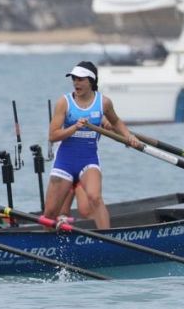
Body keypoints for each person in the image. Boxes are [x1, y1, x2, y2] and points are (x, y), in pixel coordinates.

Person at [43, 61, 138, 230]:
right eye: (74, 78)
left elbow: (116, 122)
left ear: (91, 81)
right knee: (50, 213)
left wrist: (128, 137)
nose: (76, 83)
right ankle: (46, 248)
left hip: (89, 160)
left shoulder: (104, 103)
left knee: (95, 197)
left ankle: (108, 241)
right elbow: (53, 135)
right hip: (64, 161)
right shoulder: (64, 102)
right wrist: (74, 127)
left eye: (80, 79)